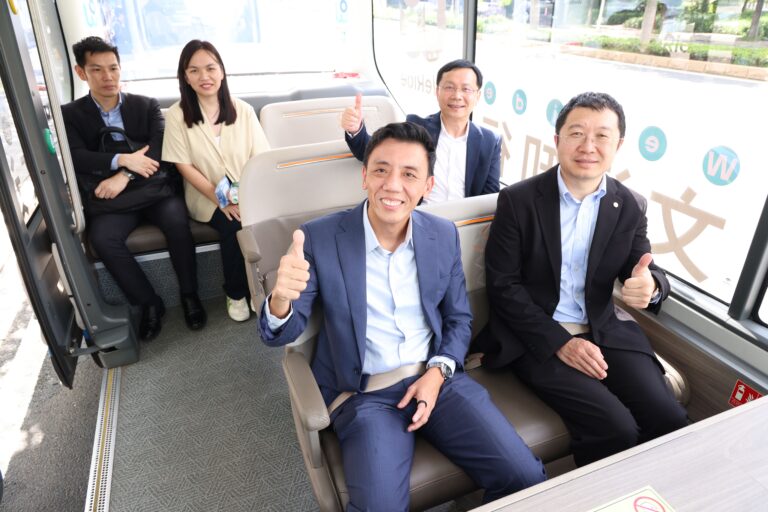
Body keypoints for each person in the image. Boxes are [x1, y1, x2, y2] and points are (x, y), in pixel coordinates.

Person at [259, 122, 546, 511]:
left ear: (428, 185)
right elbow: (279, 335)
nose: (393, 185)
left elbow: (459, 319)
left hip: (438, 380)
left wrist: (437, 373)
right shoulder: (321, 238)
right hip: (364, 395)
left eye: (409, 174)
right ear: (364, 176)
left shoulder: (442, 235)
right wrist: (280, 299)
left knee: (525, 481)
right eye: (381, 170)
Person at [476, 92, 689, 467]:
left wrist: (652, 286)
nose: (588, 146)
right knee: (616, 428)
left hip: (603, 329)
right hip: (535, 335)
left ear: (618, 145)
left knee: (668, 417)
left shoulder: (630, 204)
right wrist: (560, 342)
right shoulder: (519, 201)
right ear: (557, 140)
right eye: (576, 133)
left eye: (602, 136)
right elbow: (503, 286)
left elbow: (641, 265)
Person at [62, 36, 205, 341]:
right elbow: (76, 156)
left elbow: (158, 148)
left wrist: (123, 175)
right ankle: (149, 303)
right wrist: (123, 159)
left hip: (153, 191)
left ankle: (189, 294)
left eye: (113, 68)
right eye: (97, 69)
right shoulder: (70, 115)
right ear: (81, 72)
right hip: (111, 201)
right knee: (102, 238)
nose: (108, 76)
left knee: (177, 221)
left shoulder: (146, 105)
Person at [163, 40, 270, 322]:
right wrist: (221, 200)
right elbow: (183, 165)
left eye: (210, 68)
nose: (204, 76)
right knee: (233, 224)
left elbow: (260, 158)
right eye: (194, 70)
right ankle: (236, 292)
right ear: (185, 77)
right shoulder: (176, 115)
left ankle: (260, 287)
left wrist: (246, 198)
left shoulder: (243, 110)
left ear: (222, 71)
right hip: (205, 196)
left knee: (261, 219)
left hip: (248, 192)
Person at [341, 59, 500, 203]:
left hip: (465, 221)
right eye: (449, 87)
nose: (457, 96)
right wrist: (356, 129)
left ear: (478, 96)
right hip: (419, 217)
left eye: (466, 89)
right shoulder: (417, 128)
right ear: (437, 92)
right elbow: (372, 151)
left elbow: (490, 198)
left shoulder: (490, 141)